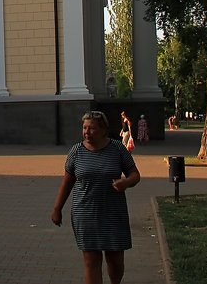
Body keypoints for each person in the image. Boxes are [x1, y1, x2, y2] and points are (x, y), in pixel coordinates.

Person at [52, 110, 140, 284]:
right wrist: (57, 208)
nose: (86, 132)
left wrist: (126, 182)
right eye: (84, 128)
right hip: (85, 213)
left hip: (113, 213)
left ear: (103, 130)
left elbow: (135, 175)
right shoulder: (76, 151)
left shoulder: (117, 148)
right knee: (91, 261)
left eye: (91, 129)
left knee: (115, 260)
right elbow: (67, 183)